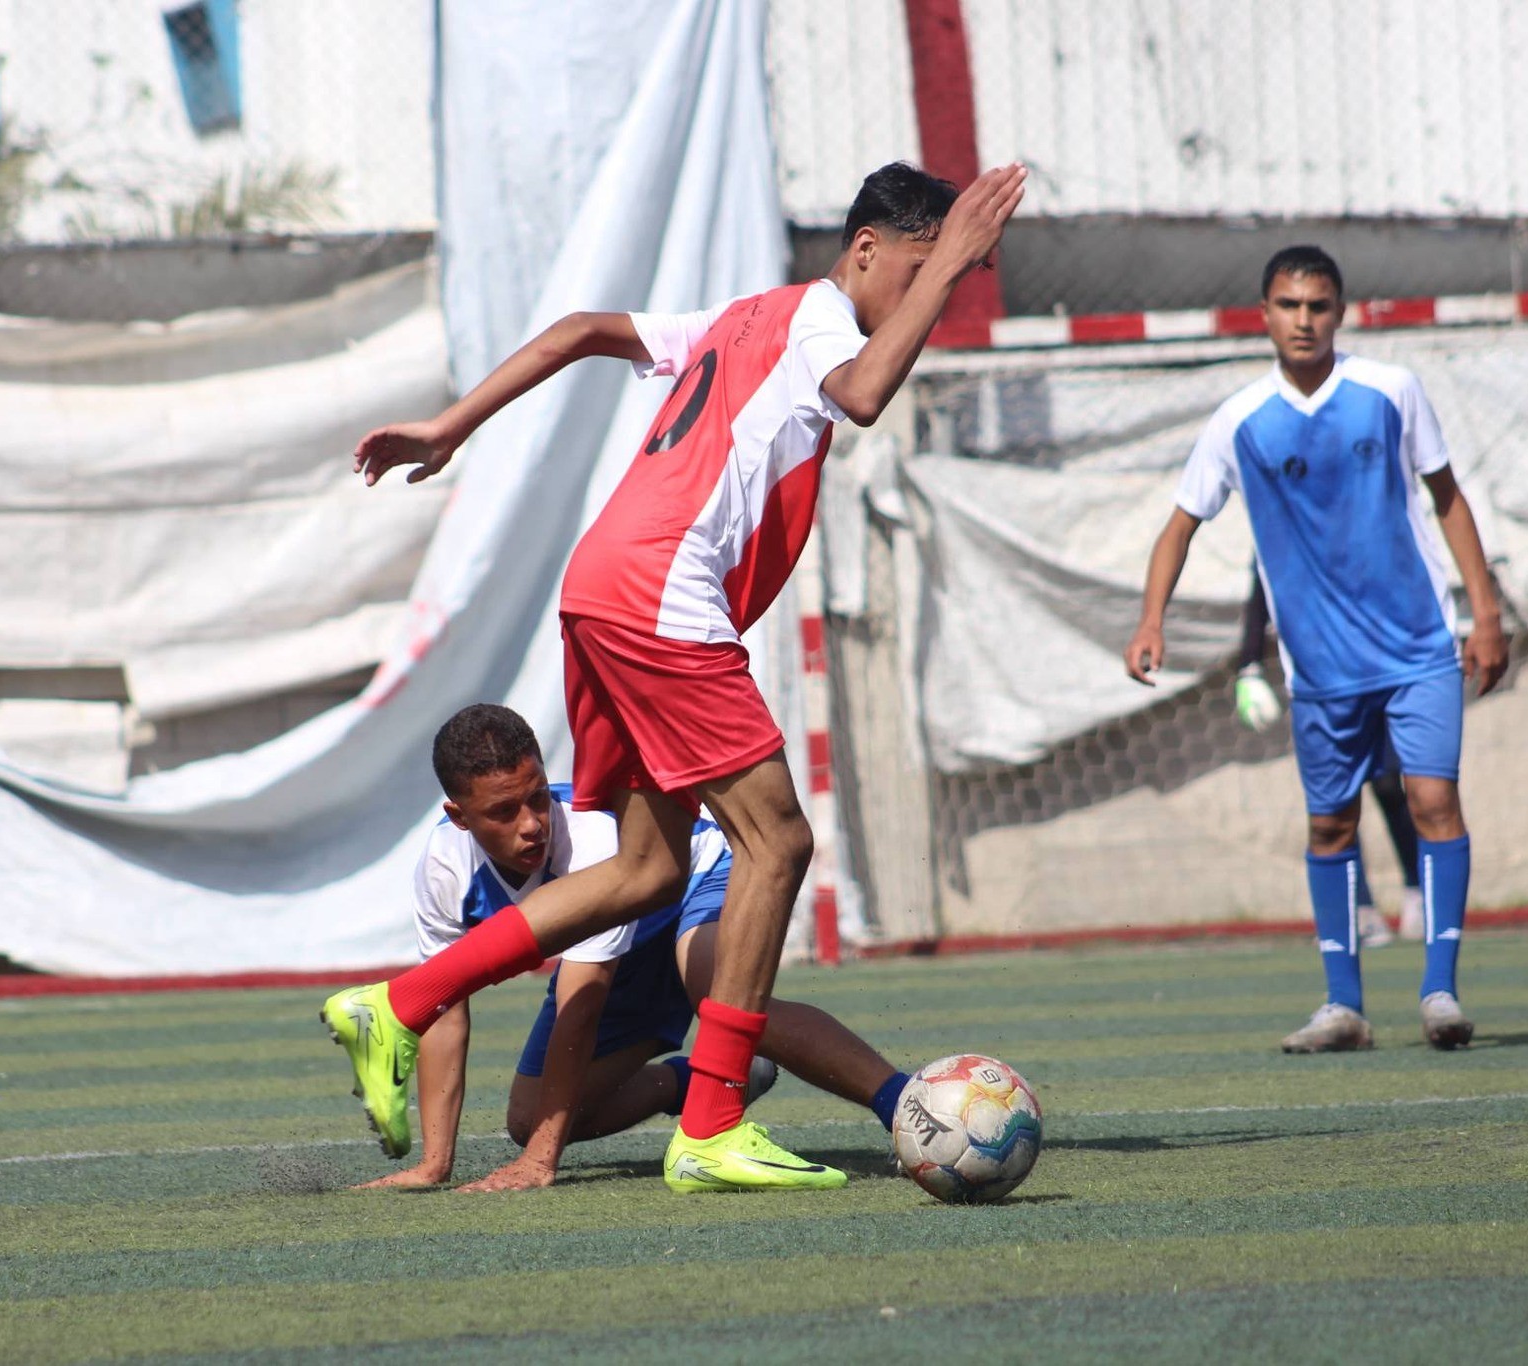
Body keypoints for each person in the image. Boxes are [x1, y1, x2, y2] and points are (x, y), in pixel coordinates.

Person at [322, 160, 1030, 1191]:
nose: (937, 289)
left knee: (647, 870)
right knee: (777, 840)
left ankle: (401, 1000)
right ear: (867, 249)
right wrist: (954, 255)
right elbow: (865, 395)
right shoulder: (820, 321)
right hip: (662, 594)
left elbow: (580, 331)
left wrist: (450, 425)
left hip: (603, 586)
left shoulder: (744, 318)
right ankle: (709, 1122)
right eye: (924, 270)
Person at [1124, 245, 1508, 1054]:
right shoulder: (1238, 421)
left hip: (1416, 646)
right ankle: (1344, 1007)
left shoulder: (1391, 391)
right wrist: (1151, 620)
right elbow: (1179, 526)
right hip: (1320, 670)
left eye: (1319, 306)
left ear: (1341, 312)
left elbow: (1448, 499)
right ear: (1264, 314)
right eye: (1290, 306)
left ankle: (1440, 991)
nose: (1304, 320)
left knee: (1433, 801)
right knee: (1330, 825)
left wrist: (1485, 613)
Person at [353, 705, 915, 1192]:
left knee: (717, 993)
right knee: (528, 1119)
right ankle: (700, 1081)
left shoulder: (591, 839)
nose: (531, 825)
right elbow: (444, 1012)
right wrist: (435, 1163)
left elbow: (583, 1001)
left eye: (537, 798)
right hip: (630, 938)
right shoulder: (444, 869)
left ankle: (905, 1103)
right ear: (458, 817)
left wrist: (540, 1162)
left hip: (698, 874)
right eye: (503, 812)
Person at [1233, 567, 1425, 947]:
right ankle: (1360, 909)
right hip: (1317, 677)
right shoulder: (1279, 530)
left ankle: (1418, 893)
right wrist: (1249, 666)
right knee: (1337, 796)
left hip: (1374, 664)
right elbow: (1263, 586)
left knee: (1389, 783)